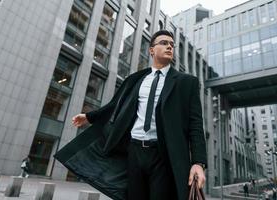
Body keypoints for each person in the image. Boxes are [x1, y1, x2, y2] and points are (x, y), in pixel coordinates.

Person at [54, 30, 207, 200]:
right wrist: (90, 117)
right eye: (164, 43)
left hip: (164, 155)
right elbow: (115, 106)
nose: (169, 46)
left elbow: (195, 125)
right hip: (134, 151)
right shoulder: (136, 79)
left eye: (172, 44)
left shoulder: (187, 82)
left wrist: (198, 163)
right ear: (151, 50)